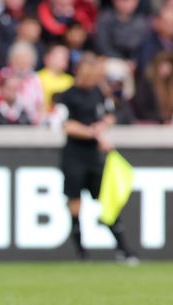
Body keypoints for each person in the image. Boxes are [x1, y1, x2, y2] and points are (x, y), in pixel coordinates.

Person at [56, 53, 137, 262]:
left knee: (107, 199)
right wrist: (92, 133)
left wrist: (103, 127)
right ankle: (81, 251)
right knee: (75, 201)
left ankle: (123, 249)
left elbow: (110, 114)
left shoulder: (98, 94)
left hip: (95, 156)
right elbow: (66, 125)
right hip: (74, 155)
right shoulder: (66, 96)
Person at [0, 41, 44, 124]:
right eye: (19, 58)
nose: (22, 61)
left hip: (30, 122)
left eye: (26, 58)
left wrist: (38, 119)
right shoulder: (2, 75)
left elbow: (40, 103)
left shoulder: (34, 78)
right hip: (3, 120)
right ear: (12, 59)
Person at [37, 44, 74, 117]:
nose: (65, 60)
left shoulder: (71, 80)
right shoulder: (36, 78)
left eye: (66, 57)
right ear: (47, 58)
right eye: (61, 57)